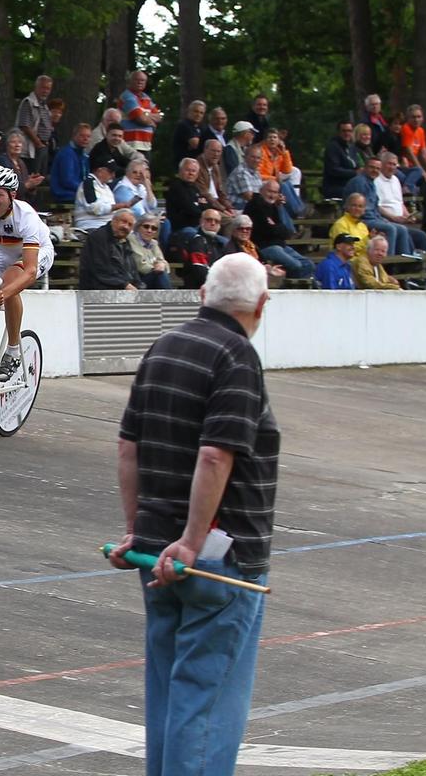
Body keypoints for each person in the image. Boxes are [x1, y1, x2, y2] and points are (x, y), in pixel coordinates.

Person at [109, 251, 276, 776]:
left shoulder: (163, 347)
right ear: (261, 305)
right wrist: (191, 539)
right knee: (205, 703)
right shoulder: (236, 356)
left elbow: (127, 447)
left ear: (203, 295)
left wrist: (137, 529)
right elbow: (214, 453)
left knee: (169, 696)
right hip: (214, 556)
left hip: (155, 547)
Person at [0, 166, 55, 379]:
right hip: (3, 252)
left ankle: (13, 351)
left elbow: (30, 271)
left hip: (37, 253)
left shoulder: (25, 216)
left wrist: (4, 293)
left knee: (11, 281)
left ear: (12, 196)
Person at [244, 180, 312, 278]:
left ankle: (296, 286)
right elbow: (267, 230)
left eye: (275, 192)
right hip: (265, 247)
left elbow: (285, 232)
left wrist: (275, 226)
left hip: (280, 245)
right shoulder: (256, 204)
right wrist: (276, 228)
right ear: (261, 191)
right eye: (269, 191)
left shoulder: (273, 206)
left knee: (308, 264)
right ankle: (290, 288)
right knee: (297, 265)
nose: (272, 195)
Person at [78, 208, 140, 291]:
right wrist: (125, 285)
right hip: (98, 288)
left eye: (130, 225)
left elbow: (132, 270)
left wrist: (138, 285)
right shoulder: (98, 237)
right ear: (113, 220)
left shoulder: (125, 242)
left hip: (122, 286)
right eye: (123, 222)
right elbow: (101, 269)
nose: (126, 227)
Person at [74, 154, 131, 234]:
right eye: (110, 172)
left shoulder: (106, 187)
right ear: (99, 171)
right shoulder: (88, 184)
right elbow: (94, 208)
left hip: (106, 226)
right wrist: (117, 206)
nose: (113, 175)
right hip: (90, 225)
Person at [16, 75, 55, 174]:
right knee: (31, 175)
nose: (45, 91)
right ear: (36, 87)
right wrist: (38, 143)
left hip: (43, 145)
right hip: (31, 147)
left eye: (48, 88)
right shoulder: (28, 102)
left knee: (40, 176)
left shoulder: (44, 105)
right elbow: (25, 125)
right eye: (43, 87)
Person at [118, 70, 161, 155]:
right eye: (136, 79)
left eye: (142, 80)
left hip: (146, 145)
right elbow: (140, 119)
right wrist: (150, 121)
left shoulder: (147, 98)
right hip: (130, 145)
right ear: (130, 81)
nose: (139, 82)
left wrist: (145, 115)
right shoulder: (127, 96)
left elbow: (159, 117)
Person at [49, 122, 91, 203]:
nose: (85, 139)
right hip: (64, 194)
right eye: (82, 135)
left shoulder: (84, 155)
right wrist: (86, 189)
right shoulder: (67, 154)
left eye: (88, 136)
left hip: (78, 192)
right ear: (74, 136)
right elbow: (67, 181)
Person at [132, 212, 171, 289]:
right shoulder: (131, 240)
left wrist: (162, 265)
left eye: (154, 228)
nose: (149, 230)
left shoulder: (154, 243)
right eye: (146, 226)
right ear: (138, 227)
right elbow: (141, 266)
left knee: (161, 273)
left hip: (152, 278)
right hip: (136, 281)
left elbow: (164, 263)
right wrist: (156, 268)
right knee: (160, 274)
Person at [321, 121, 359, 200]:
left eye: (349, 131)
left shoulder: (352, 148)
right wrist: (355, 173)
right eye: (344, 131)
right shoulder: (333, 147)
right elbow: (334, 170)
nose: (347, 133)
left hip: (352, 184)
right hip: (336, 186)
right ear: (338, 132)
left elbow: (356, 165)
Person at [329, 193, 374, 257]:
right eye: (354, 205)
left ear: (364, 209)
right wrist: (367, 239)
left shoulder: (363, 226)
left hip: (362, 262)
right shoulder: (340, 224)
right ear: (347, 206)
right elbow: (347, 248)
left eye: (360, 206)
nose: (357, 209)